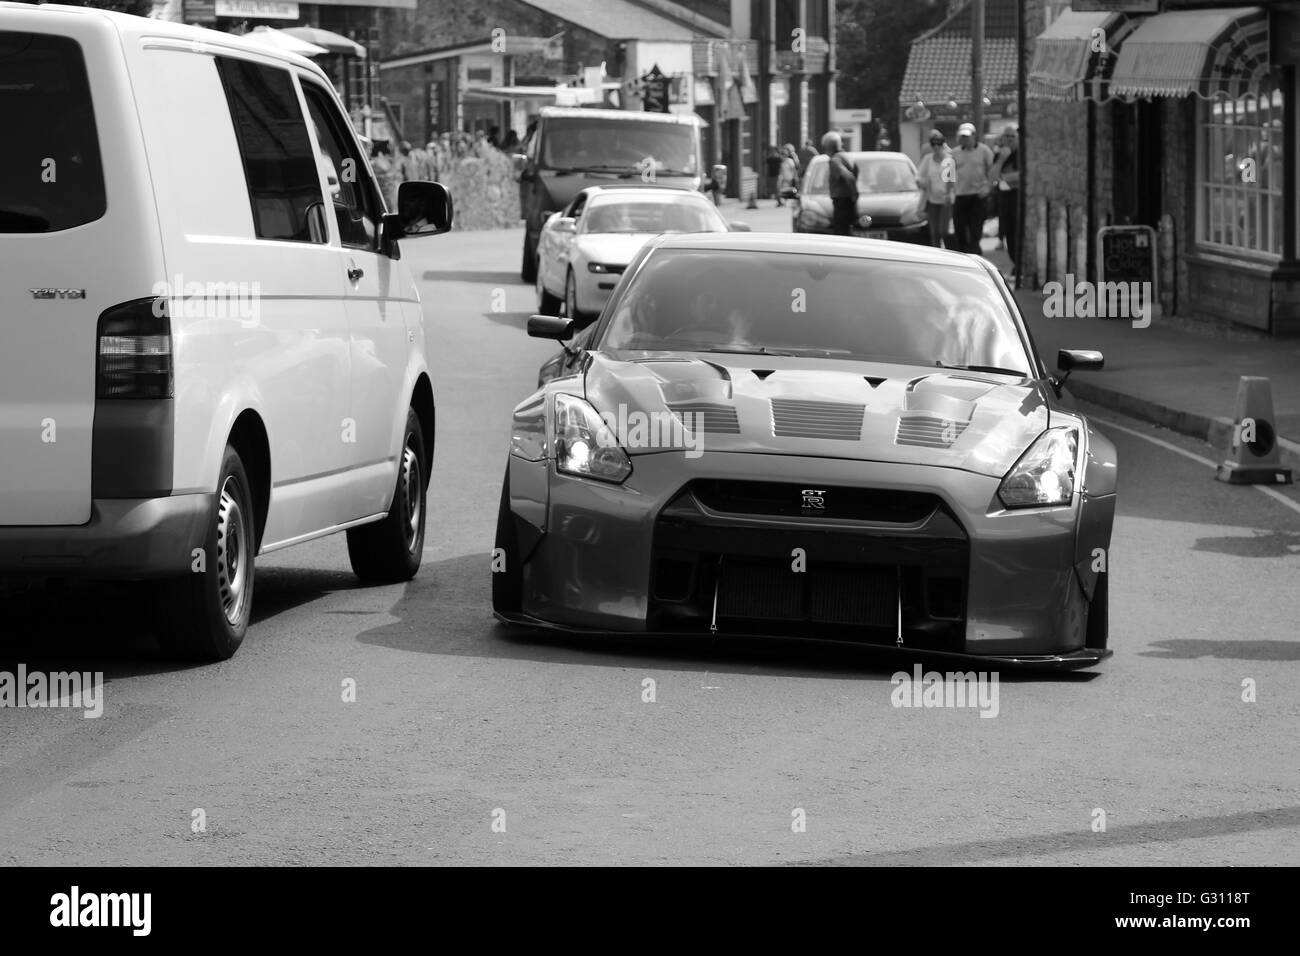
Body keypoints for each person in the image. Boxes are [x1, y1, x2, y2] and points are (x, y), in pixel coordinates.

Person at [951, 121, 994, 254]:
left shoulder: (984, 150)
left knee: (976, 228)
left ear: (974, 136)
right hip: (961, 194)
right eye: (962, 136)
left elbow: (992, 171)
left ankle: (974, 251)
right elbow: (948, 175)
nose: (964, 139)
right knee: (959, 228)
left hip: (978, 195)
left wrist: (988, 187)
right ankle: (964, 252)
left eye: (967, 136)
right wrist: (950, 192)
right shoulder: (954, 153)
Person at [990, 125, 1021, 281]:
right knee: (1008, 232)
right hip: (1004, 199)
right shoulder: (999, 154)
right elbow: (993, 176)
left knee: (1017, 232)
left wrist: (1007, 177)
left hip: (1018, 199)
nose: (1009, 139)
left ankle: (1019, 266)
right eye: (1006, 136)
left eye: (1012, 136)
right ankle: (1015, 264)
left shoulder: (1021, 154)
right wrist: (1002, 159)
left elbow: (1021, 175)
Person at [915, 130, 955, 248]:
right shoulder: (928, 159)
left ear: (943, 144)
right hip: (932, 200)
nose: (936, 146)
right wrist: (920, 182)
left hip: (945, 200)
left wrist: (948, 194)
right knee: (935, 232)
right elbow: (918, 175)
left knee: (944, 231)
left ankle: (950, 253)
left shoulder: (949, 159)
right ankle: (937, 256)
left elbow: (951, 179)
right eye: (933, 143)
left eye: (939, 143)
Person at [821, 131, 858, 236]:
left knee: (840, 235)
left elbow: (848, 176)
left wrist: (855, 193)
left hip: (841, 203)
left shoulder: (834, 160)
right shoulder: (848, 157)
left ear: (827, 147)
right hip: (849, 202)